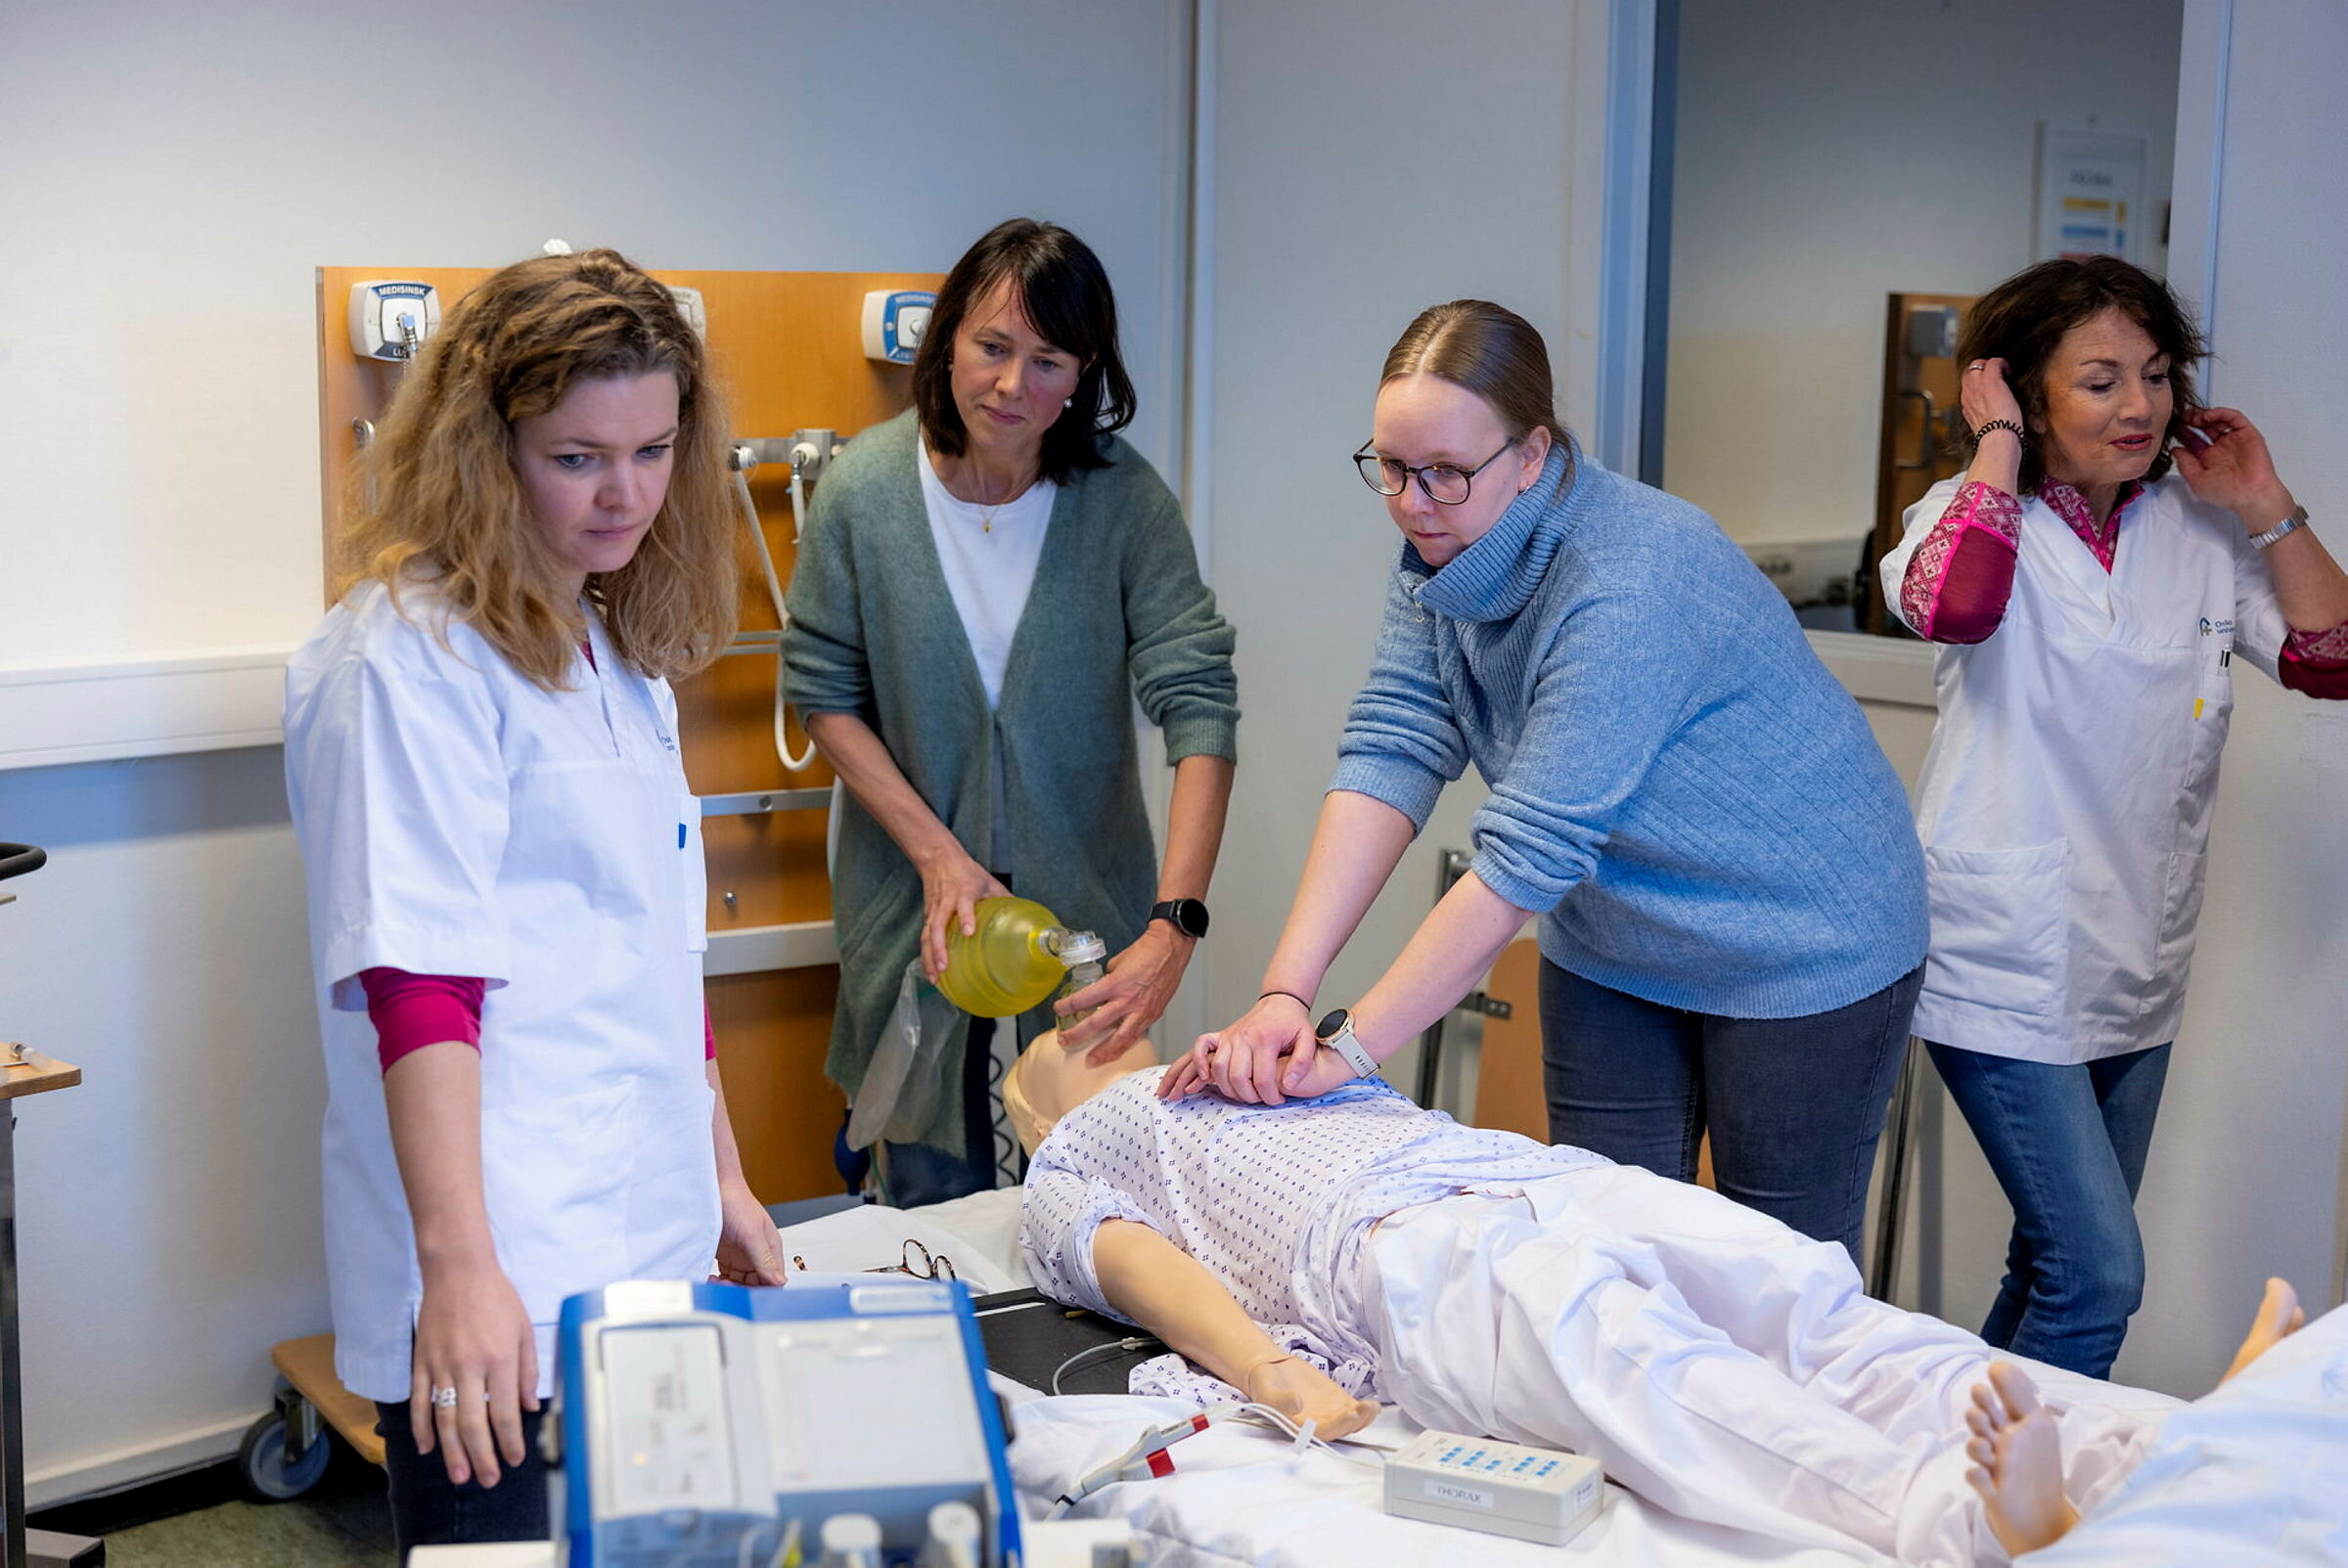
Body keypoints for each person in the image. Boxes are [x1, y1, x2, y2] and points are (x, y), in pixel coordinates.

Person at [1172, 299, 1928, 1262]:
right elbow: (1394, 745)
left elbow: (1523, 854)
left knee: (1773, 1278)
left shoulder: (1628, 580)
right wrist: (1286, 991)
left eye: (1445, 472)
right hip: (1620, 934)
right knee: (1597, 1252)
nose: (1413, 502)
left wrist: (1351, 1051)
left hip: (1802, 937)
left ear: (1532, 454)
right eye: (1392, 469)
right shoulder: (1442, 549)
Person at [1019, 1058, 2323, 1567]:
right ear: (1029, 1092)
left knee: (1824, 1319)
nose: (1093, 1023)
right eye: (1062, 1032)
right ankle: (1991, 1521)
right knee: (1686, 1387)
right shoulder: (1067, 1152)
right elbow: (1151, 1278)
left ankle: (2178, 1452)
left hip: (1547, 1180)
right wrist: (1278, 1375)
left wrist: (1298, 1047)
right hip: (1406, 1255)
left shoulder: (1239, 1052)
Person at [283, 249, 789, 1551]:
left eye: (655, 448)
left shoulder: (617, 656)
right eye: (576, 457)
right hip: (497, 1245)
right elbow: (421, 980)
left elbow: (655, 950)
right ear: (482, 448)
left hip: (649, 1216)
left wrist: (720, 1167)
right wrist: (458, 1268)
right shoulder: (405, 657)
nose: (625, 493)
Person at [1879, 256, 2348, 1378]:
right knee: (2098, 1274)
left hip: (2138, 955)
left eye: (2154, 375)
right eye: (2098, 381)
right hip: (2000, 954)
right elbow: (1959, 606)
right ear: (2023, 392)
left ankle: (1955, 1503)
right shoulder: (1956, 518)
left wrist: (2265, 504)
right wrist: (1992, 445)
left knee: (2051, 1264)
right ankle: (2026, 1534)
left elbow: (2332, 661)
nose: (2139, 406)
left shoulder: (2196, 533)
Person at [784, 218, 1238, 1206]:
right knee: (929, 1188)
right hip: (917, 913)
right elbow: (821, 692)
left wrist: (1177, 922)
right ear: (946, 340)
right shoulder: (863, 491)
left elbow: (1201, 705)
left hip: (1089, 914)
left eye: (1048, 361)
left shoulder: (1123, 503)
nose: (1012, 386)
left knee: (1103, 1192)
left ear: (1083, 373)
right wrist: (939, 856)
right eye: (993, 348)